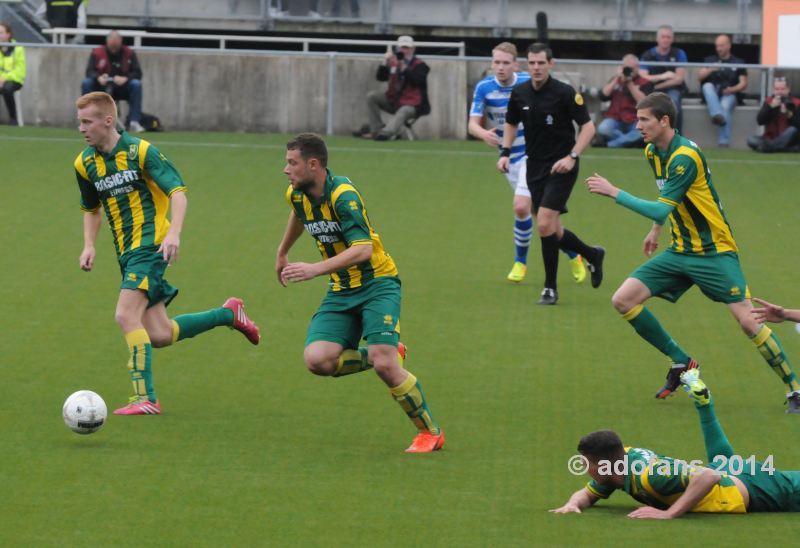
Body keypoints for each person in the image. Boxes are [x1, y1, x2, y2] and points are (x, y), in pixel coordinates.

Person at [586, 92, 800, 412]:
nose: (637, 124)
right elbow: (667, 200)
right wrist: (657, 230)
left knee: (748, 320)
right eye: (638, 118)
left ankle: (795, 389)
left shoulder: (684, 156)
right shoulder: (652, 151)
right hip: (681, 248)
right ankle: (682, 362)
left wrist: (615, 192)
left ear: (664, 121)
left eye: (644, 119)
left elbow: (660, 209)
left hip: (714, 251)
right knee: (623, 299)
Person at [74, 92, 261, 415]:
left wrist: (174, 233)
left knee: (125, 315)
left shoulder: (140, 151)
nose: (81, 129)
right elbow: (91, 209)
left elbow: (178, 191)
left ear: (107, 121)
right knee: (159, 334)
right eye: (79, 122)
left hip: (150, 246)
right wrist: (89, 245)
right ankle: (229, 314)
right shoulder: (85, 163)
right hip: (126, 253)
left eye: (87, 122)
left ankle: (144, 397)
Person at [276, 133, 444, 453]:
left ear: (314, 165)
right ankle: (385, 352)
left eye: (292, 163)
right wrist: (282, 252)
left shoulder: (344, 196)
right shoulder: (297, 194)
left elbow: (363, 250)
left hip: (377, 284)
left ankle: (430, 432)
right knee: (317, 360)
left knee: (386, 366)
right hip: (341, 290)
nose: (286, 169)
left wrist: (313, 268)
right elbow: (300, 215)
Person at [552, 370, 800, 518]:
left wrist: (670, 513)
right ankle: (705, 406)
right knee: (724, 463)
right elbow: (586, 494)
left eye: (587, 463)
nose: (584, 468)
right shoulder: (619, 463)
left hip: (754, 490)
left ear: (603, 464)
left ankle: (705, 407)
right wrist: (572, 504)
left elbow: (708, 475)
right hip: (735, 474)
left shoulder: (651, 476)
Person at [468, 42, 586, 284]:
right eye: (496, 62)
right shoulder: (484, 88)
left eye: (505, 63)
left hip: (532, 156)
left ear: (516, 65)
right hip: (509, 157)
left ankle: (520, 263)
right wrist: (484, 134)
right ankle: (577, 253)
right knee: (544, 218)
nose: (500, 68)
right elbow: (472, 124)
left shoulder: (529, 81)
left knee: (521, 207)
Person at [498, 42, 605, 305]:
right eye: (532, 63)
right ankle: (592, 254)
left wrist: (572, 157)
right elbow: (511, 122)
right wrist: (505, 151)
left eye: (541, 63)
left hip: (562, 166)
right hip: (534, 166)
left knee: (544, 222)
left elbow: (588, 128)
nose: (536, 68)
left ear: (550, 64)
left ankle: (550, 288)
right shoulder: (520, 93)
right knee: (551, 228)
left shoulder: (565, 93)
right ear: (526, 65)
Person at [352, 35, 430, 141]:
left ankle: (387, 133)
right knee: (372, 96)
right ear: (397, 48)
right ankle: (376, 130)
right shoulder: (393, 63)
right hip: (395, 100)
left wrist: (404, 68)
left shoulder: (420, 65)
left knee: (404, 110)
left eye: (407, 48)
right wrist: (385, 62)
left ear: (413, 49)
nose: (404, 50)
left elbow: (417, 81)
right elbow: (380, 78)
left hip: (414, 104)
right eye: (402, 47)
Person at [82, 30, 145, 133]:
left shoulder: (129, 53)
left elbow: (138, 73)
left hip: (122, 88)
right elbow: (89, 71)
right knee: (87, 83)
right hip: (101, 87)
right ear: (107, 41)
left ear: (121, 41)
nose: (114, 48)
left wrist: (125, 78)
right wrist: (98, 77)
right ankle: (86, 120)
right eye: (112, 44)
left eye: (116, 44)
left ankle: (134, 122)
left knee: (136, 84)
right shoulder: (97, 53)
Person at [697, 34, 748, 148]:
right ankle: (717, 114)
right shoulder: (710, 60)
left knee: (725, 105)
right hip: (713, 94)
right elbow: (699, 77)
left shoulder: (738, 62)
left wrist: (732, 89)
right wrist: (710, 69)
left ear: (729, 45)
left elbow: (743, 83)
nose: (719, 48)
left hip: (730, 94)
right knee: (707, 86)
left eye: (721, 45)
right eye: (717, 46)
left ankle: (724, 141)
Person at [595, 54, 653, 148]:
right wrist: (616, 78)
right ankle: (627, 142)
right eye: (626, 68)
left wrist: (629, 83)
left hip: (635, 120)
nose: (629, 71)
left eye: (632, 68)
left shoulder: (645, 82)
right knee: (603, 128)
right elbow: (603, 95)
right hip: (615, 119)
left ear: (637, 67)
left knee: (642, 132)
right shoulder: (616, 80)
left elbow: (644, 102)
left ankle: (610, 144)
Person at [640, 25, 687, 132]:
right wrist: (663, 76)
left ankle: (675, 135)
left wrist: (656, 85)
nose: (665, 40)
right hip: (651, 90)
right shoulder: (647, 55)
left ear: (672, 39)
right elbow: (643, 77)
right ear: (657, 38)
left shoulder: (679, 53)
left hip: (673, 89)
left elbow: (679, 79)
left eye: (668, 37)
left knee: (673, 103)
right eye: (663, 37)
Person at [747, 77, 800, 153]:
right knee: (751, 140)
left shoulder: (797, 103)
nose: (779, 92)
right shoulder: (769, 101)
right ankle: (781, 148)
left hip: (790, 138)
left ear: (788, 89)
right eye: (777, 89)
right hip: (771, 137)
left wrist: (789, 115)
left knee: (792, 130)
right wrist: (770, 107)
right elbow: (760, 121)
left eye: (782, 89)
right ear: (773, 90)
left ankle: (770, 147)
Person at [0, 22, 25, 126]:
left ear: (8, 34)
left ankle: (13, 119)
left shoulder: (18, 48)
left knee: (7, 89)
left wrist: (5, 78)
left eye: (1, 32)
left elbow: (20, 70)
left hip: (15, 80)